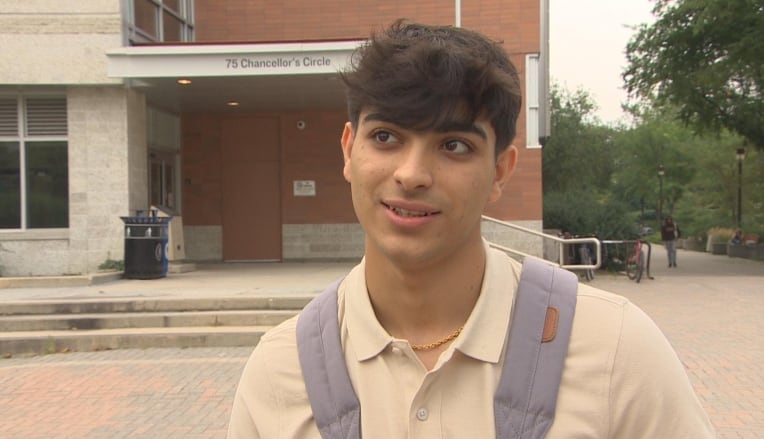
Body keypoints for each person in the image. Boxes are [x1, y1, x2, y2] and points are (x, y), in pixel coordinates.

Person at [227, 21, 714, 438]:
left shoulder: (613, 347)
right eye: (386, 137)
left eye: (454, 146)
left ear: (501, 171)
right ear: (349, 149)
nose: (412, 173)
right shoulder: (280, 368)